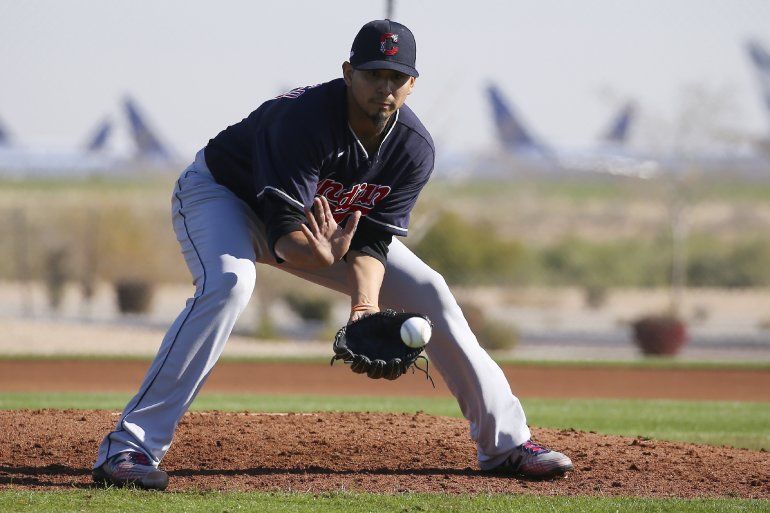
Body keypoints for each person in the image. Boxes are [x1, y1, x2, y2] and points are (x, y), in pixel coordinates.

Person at [92, 19, 573, 491]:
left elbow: (372, 243)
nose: (384, 87)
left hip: (325, 231)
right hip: (223, 197)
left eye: (396, 77)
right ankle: (129, 447)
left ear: (411, 85)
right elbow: (284, 240)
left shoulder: (414, 147)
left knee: (431, 291)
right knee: (229, 284)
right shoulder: (304, 121)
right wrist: (320, 258)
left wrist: (364, 307)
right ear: (348, 73)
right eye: (373, 73)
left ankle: (506, 444)